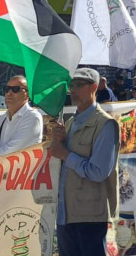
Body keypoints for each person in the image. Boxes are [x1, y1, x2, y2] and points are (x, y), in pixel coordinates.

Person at [48, 68, 120, 256]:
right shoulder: (71, 122)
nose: (73, 90)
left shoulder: (105, 124)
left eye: (78, 85)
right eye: (71, 85)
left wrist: (65, 154)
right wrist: (59, 140)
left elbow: (98, 172)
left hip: (89, 215)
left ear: (94, 87)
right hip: (67, 213)